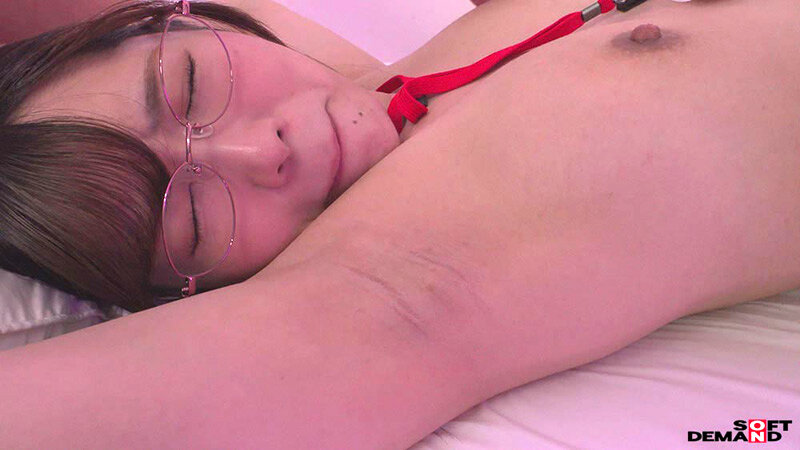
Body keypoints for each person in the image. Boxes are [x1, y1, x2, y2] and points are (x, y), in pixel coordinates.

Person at [1, 0, 799, 447]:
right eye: (198, 217)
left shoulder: (374, 80)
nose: (258, 150)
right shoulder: (395, 275)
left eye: (192, 86)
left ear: (181, 21)